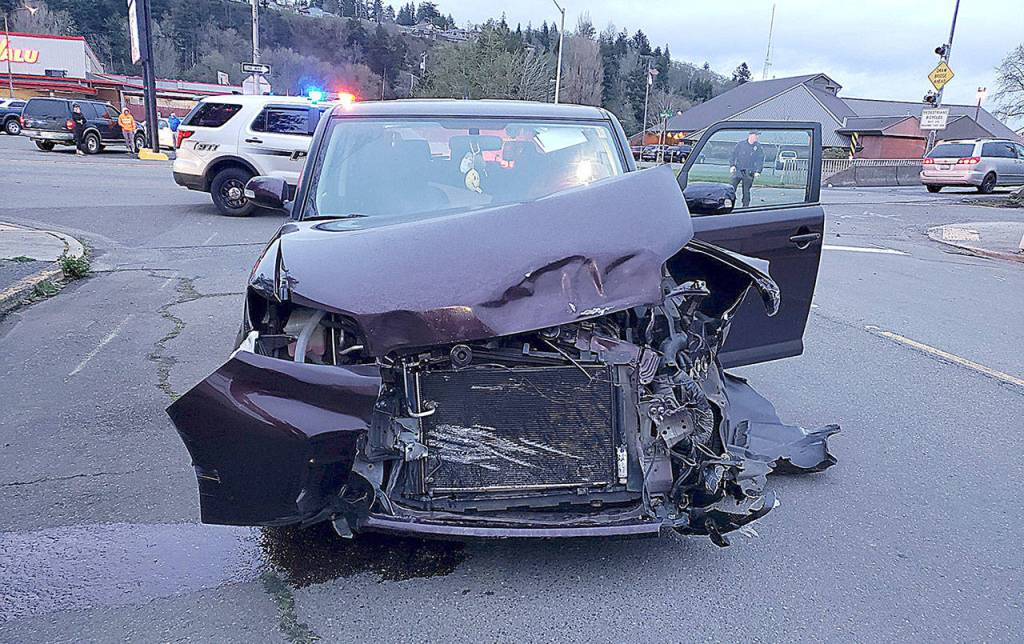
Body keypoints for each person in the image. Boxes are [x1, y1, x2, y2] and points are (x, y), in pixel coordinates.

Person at [729, 131, 765, 208]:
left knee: (746, 191)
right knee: (731, 189)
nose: (757, 137)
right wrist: (732, 165)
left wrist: (758, 171)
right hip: (738, 169)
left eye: (757, 135)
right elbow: (733, 155)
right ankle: (729, 204)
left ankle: (745, 207)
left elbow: (760, 160)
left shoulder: (758, 147)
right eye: (756, 135)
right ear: (750, 135)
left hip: (749, 171)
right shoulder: (741, 145)